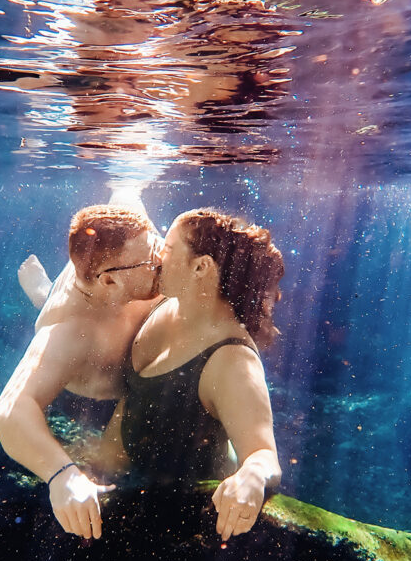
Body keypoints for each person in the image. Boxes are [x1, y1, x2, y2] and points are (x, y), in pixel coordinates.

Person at [92, 208, 284, 542]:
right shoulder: (162, 301)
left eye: (167, 248)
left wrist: (253, 475)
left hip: (181, 526)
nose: (157, 256)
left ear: (201, 267)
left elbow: (264, 455)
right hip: (119, 490)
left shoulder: (232, 360)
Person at [0, 190, 163, 541]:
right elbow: (8, 413)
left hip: (105, 304)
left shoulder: (130, 236)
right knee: (113, 465)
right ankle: (44, 297)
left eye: (158, 246)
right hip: (101, 377)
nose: (163, 259)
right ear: (110, 280)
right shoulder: (69, 333)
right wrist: (62, 476)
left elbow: (125, 190)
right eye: (152, 260)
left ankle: (44, 294)